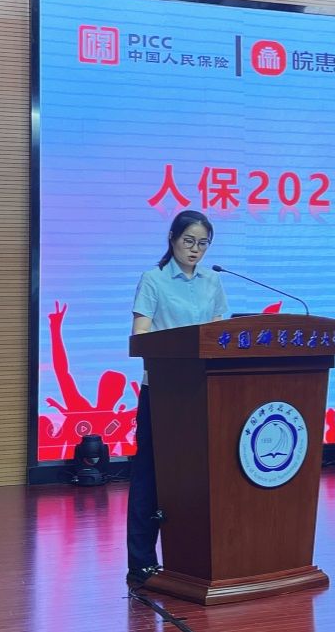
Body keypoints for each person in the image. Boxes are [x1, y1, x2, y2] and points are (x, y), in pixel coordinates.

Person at [126, 210, 229, 587]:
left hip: (203, 391)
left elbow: (221, 335)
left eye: (203, 243)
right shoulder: (153, 279)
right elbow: (141, 336)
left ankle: (192, 560)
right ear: (172, 238)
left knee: (198, 477)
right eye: (189, 241)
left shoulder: (213, 281)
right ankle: (141, 562)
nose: (195, 249)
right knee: (150, 475)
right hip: (163, 392)